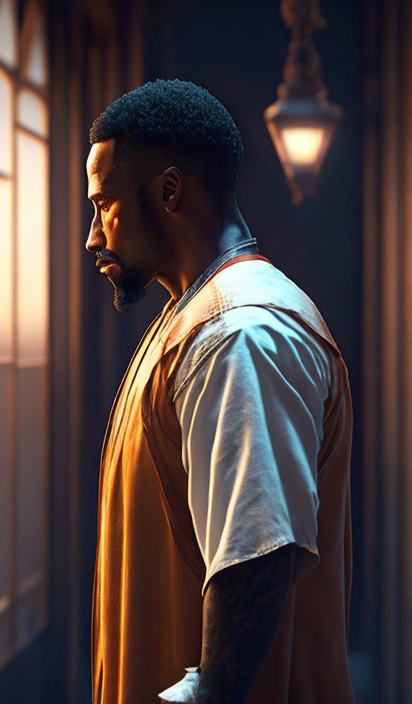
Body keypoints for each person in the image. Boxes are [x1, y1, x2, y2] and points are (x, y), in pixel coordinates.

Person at [85, 80, 354, 703]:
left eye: (105, 206)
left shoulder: (239, 332)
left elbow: (258, 556)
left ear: (169, 192)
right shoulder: (198, 315)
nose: (95, 236)